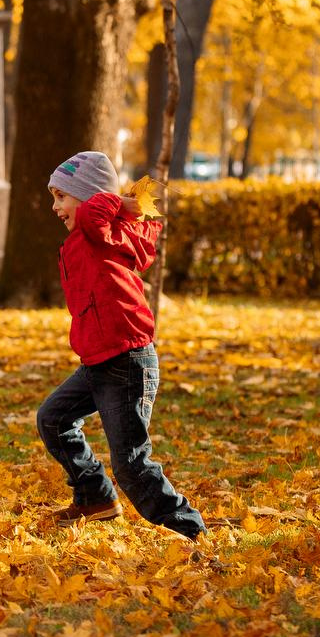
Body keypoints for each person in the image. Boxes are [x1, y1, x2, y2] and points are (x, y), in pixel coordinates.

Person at [34, 149, 205, 540]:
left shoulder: (99, 227)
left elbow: (96, 212)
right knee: (54, 420)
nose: (55, 207)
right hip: (98, 361)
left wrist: (119, 202)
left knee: (130, 463)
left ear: (91, 196)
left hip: (127, 362)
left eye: (62, 196)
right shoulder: (95, 233)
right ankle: (95, 497)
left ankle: (188, 529)